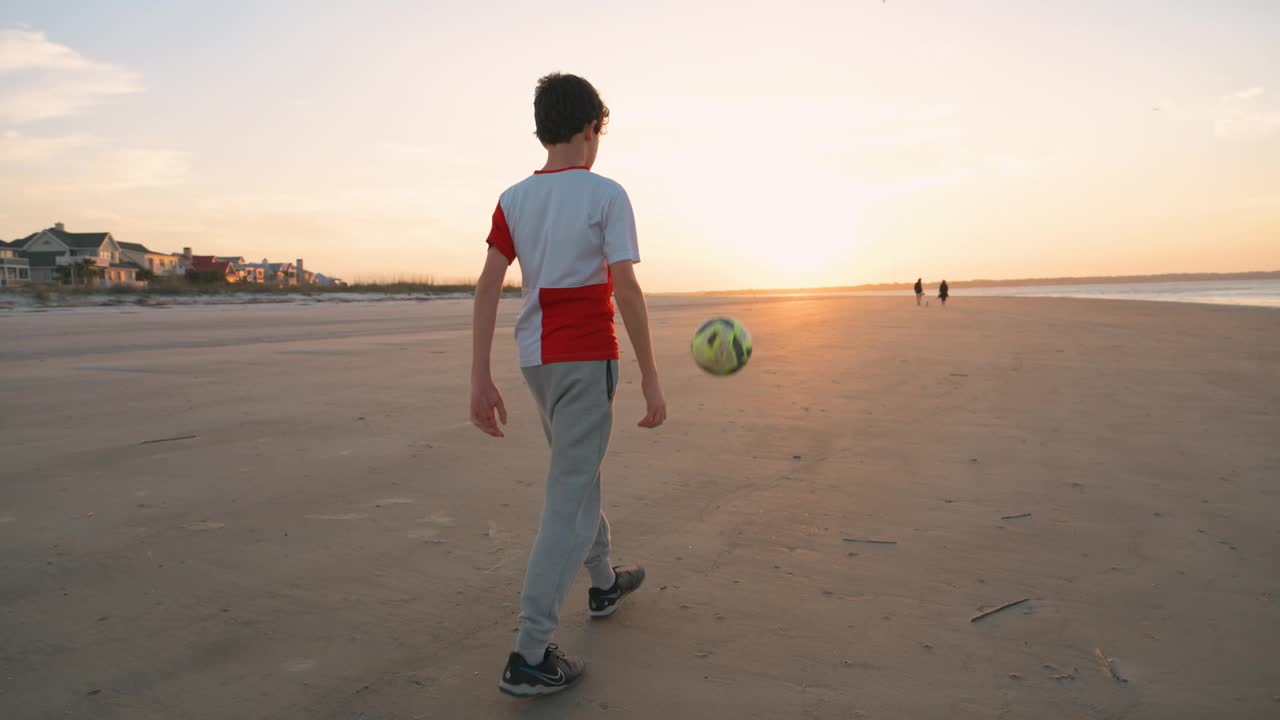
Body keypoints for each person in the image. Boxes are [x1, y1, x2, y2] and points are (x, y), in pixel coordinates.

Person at [469, 72, 667, 698]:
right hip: (585, 357)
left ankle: (604, 582)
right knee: (568, 496)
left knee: (577, 475)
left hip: (536, 361)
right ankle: (529, 652)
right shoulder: (605, 193)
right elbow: (627, 289)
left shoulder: (513, 198)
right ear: (591, 129)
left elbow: (488, 284)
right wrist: (652, 378)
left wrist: (480, 375)